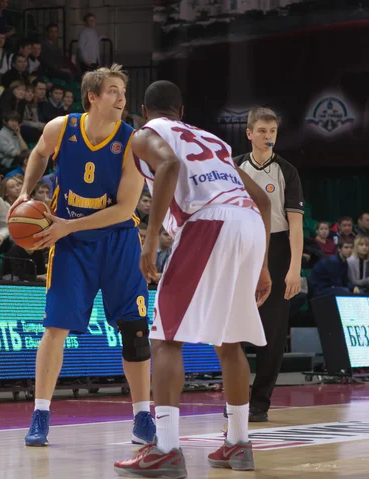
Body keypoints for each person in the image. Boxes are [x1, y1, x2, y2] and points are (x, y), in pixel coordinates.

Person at [113, 80, 273, 477]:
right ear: (181, 111)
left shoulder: (145, 135)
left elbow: (168, 164)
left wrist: (150, 239)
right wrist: (264, 265)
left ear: (145, 112)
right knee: (229, 341)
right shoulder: (213, 140)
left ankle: (165, 449)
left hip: (208, 223)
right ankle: (238, 444)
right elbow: (265, 200)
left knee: (165, 339)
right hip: (249, 225)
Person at [9, 64, 155, 447]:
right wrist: (26, 192)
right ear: (92, 96)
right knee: (54, 328)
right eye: (112, 90)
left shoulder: (133, 141)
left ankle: (143, 416)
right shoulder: (60, 128)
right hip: (72, 245)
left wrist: (65, 227)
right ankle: (40, 414)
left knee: (135, 332)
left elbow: (125, 209)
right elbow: (39, 155)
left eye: (123, 90)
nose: (121, 97)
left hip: (117, 241)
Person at [234, 107, 304, 422]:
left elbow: (296, 225)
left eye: (272, 131)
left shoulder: (287, 171)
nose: (268, 136)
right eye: (262, 130)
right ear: (249, 133)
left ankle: (260, 402)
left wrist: (294, 268)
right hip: (240, 247)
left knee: (273, 331)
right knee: (233, 327)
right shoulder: (234, 166)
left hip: (276, 249)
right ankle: (234, 399)